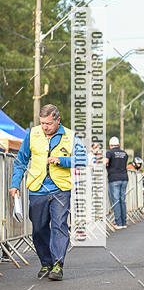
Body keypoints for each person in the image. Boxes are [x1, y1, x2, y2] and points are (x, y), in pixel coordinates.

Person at [8, 104, 86, 280]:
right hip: (37, 189)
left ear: (58, 120)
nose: (44, 127)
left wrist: (62, 160)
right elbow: (21, 161)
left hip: (60, 189)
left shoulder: (71, 136)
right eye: (42, 123)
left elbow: (82, 159)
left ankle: (58, 265)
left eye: (48, 124)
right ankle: (46, 262)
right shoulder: (32, 134)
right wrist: (14, 184)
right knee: (38, 228)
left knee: (59, 226)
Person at [105, 137, 129, 229]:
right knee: (122, 200)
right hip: (124, 178)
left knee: (116, 201)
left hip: (114, 178)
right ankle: (123, 222)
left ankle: (118, 223)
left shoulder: (109, 152)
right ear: (118, 144)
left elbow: (106, 162)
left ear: (110, 145)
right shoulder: (124, 153)